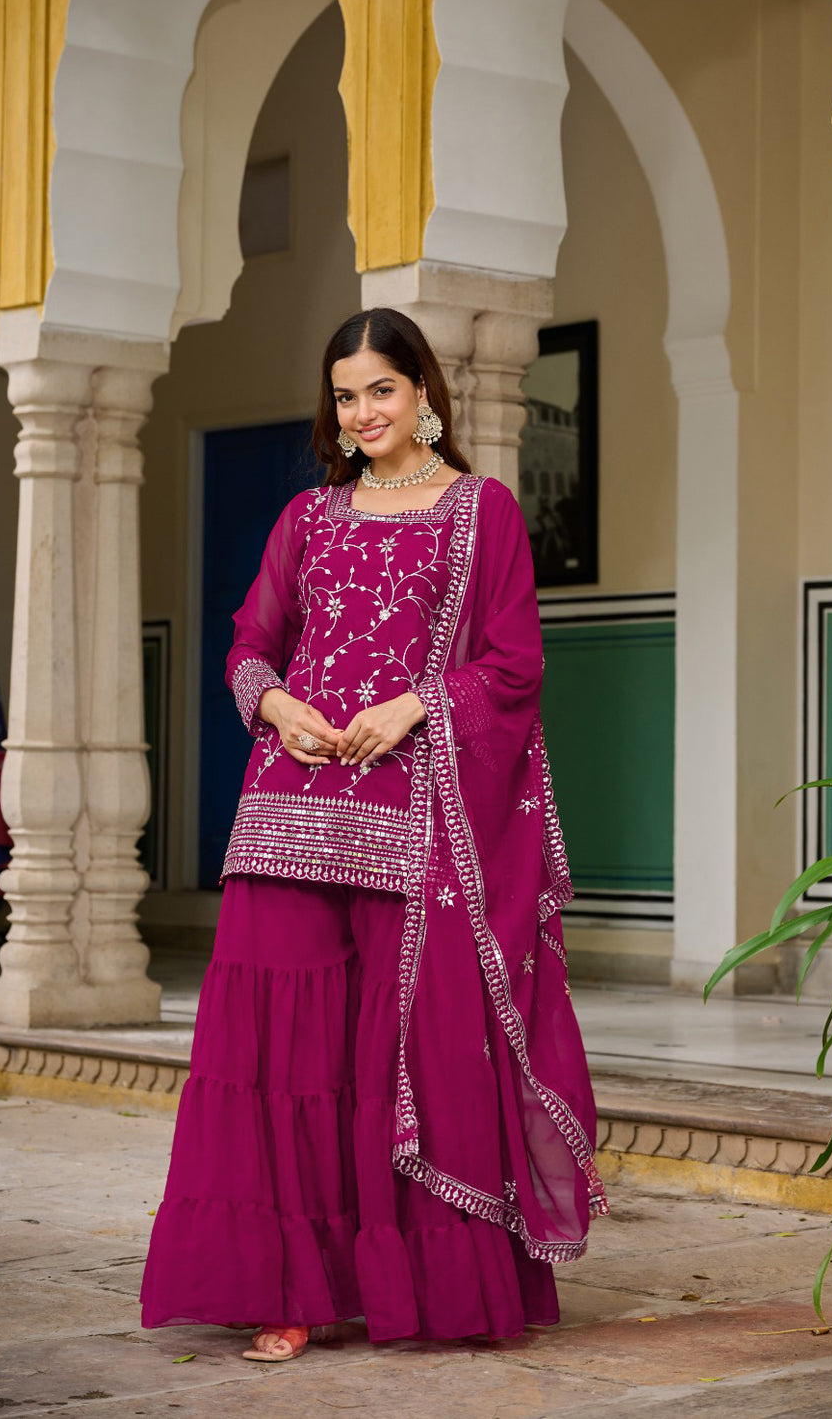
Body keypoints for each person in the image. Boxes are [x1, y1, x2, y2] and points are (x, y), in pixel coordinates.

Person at [140, 308, 606, 1361]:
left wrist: (417, 704)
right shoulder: (308, 518)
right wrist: (273, 706)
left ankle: (409, 1282)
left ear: (423, 392)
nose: (363, 412)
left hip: (414, 818)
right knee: (282, 1056)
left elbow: (515, 664)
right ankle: (287, 1289)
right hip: (289, 813)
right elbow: (251, 644)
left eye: (381, 390)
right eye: (346, 395)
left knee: (394, 1049)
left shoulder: (481, 512)